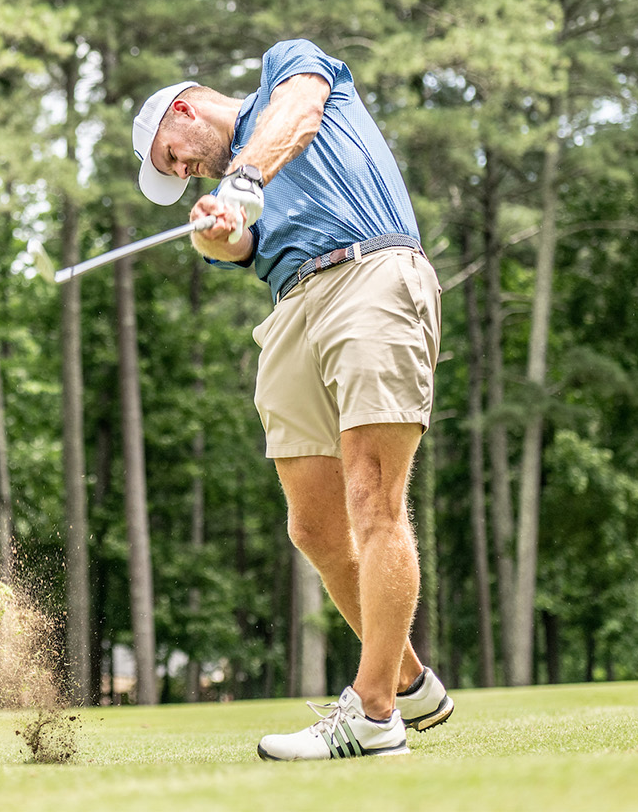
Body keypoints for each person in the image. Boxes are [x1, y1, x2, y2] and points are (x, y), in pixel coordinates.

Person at [132, 38, 450, 760]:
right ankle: (408, 679)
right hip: (290, 304)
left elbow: (300, 113)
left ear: (183, 110)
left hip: (370, 272)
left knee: (372, 495)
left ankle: (375, 715)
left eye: (172, 157)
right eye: (173, 173)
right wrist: (216, 232)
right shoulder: (230, 187)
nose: (181, 171)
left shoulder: (287, 68)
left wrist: (243, 178)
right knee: (313, 527)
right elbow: (236, 249)